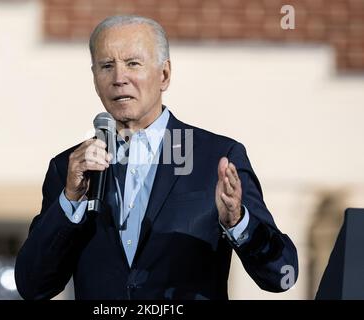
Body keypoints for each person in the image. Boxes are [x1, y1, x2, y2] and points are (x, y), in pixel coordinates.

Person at [15, 15, 298, 300]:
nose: (118, 78)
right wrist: (70, 201)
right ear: (94, 77)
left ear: (164, 75)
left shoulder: (218, 157)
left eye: (133, 64)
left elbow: (282, 273)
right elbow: (33, 285)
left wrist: (238, 221)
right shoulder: (69, 169)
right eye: (106, 66)